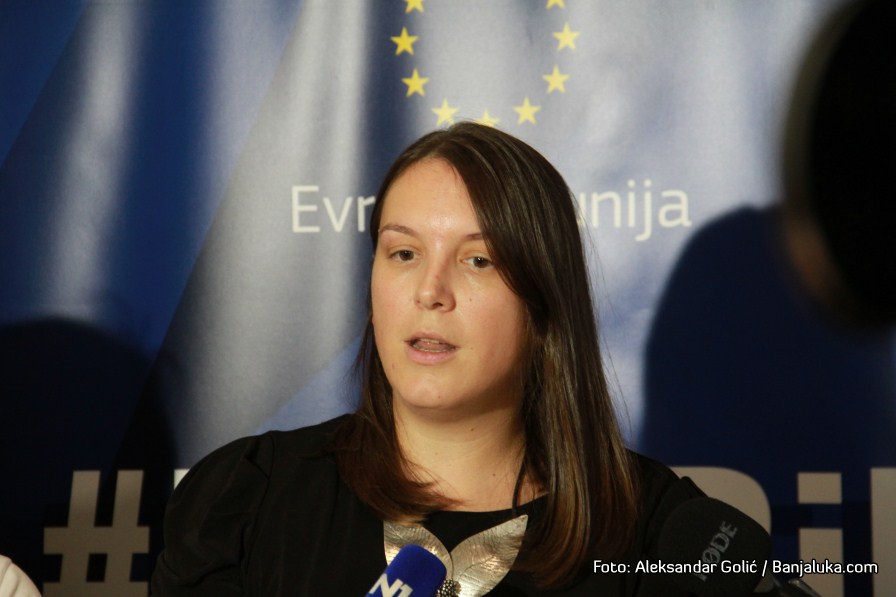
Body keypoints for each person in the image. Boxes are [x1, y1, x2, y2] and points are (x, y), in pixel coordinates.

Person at [151, 123, 702, 596]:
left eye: (479, 260)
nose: (430, 291)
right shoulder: (249, 501)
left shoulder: (660, 533)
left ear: (543, 303)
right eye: (404, 253)